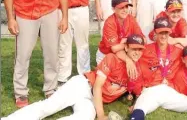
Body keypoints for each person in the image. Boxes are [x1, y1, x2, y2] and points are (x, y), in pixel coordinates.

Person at [2, 34, 146, 120]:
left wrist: (134, 102)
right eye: (134, 48)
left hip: (92, 100)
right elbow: (97, 87)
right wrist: (101, 116)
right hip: (82, 86)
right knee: (48, 107)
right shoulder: (112, 58)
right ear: (126, 48)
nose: (137, 52)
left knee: (85, 117)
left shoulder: (137, 71)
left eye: (140, 49)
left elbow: (139, 92)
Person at [96, 0, 145, 79]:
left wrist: (126, 41)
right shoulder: (109, 22)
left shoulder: (130, 19)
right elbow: (114, 49)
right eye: (121, 7)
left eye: (126, 7)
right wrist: (128, 59)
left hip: (123, 51)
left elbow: (143, 39)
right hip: (106, 55)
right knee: (109, 82)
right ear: (113, 9)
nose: (125, 10)